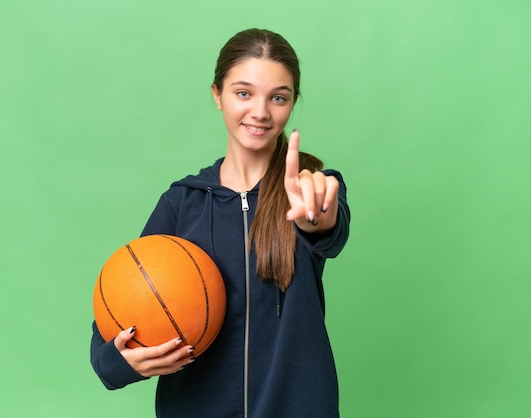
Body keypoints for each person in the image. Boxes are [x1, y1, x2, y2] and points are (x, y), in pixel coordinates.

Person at [90, 28, 351, 418]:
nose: (260, 112)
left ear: (293, 102)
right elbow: (116, 313)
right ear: (217, 95)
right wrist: (119, 361)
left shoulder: (312, 187)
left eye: (277, 97)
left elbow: (329, 231)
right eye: (243, 93)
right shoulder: (182, 202)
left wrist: (318, 218)